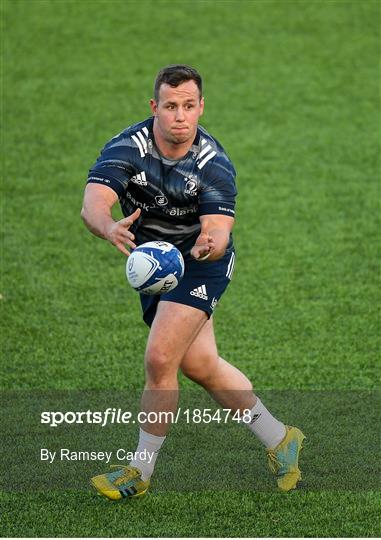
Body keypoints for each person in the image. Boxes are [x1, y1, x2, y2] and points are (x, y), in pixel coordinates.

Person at [81, 65, 305, 499]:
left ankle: (138, 473)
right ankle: (280, 439)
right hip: (154, 268)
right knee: (201, 365)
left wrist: (209, 246)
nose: (180, 116)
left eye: (188, 106)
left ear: (201, 107)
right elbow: (94, 202)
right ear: (155, 108)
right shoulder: (129, 146)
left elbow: (218, 230)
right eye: (170, 106)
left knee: (161, 358)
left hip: (201, 263)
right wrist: (108, 227)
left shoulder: (213, 163)